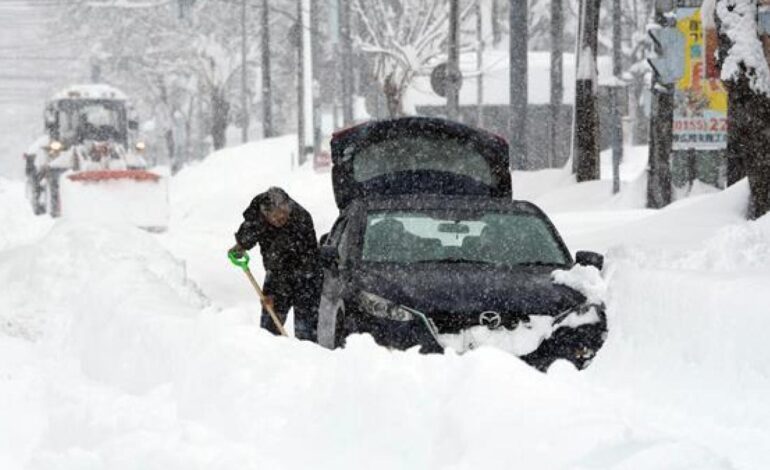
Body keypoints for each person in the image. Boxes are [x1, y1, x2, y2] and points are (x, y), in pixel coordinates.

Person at [229, 187, 322, 342]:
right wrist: (240, 245)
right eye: (277, 218)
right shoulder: (258, 214)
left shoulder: (301, 219)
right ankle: (269, 356)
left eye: (285, 215)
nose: (282, 219)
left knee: (306, 331)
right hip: (277, 272)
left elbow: (301, 261)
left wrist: (273, 292)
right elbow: (249, 232)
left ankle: (306, 357)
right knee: (269, 329)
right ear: (266, 215)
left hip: (306, 276)